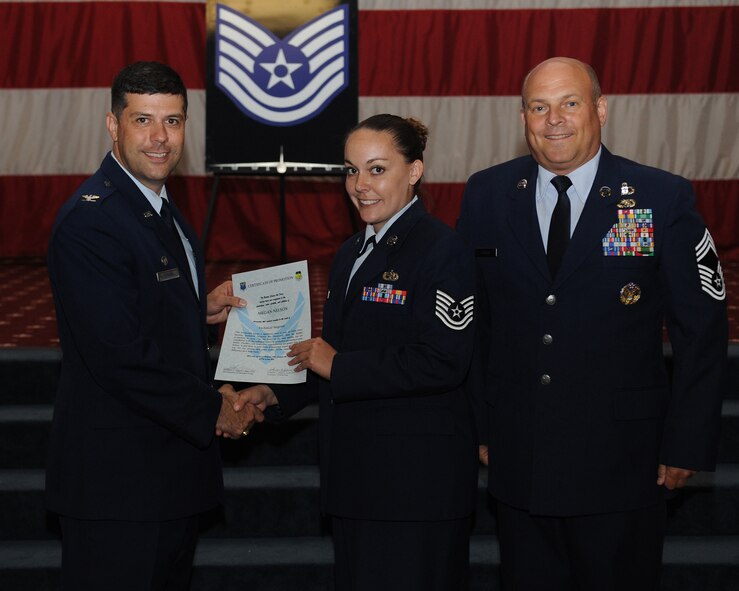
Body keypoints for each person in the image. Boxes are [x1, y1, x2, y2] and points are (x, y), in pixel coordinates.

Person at [457, 57, 729, 590]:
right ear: (523, 119)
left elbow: (702, 329)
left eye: (570, 103)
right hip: (521, 455)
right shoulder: (487, 194)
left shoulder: (658, 197)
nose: (554, 119)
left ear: (600, 110)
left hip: (623, 462)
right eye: (539, 107)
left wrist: (687, 441)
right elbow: (474, 323)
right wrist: (481, 425)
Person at [235, 114, 479, 590]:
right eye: (350, 170)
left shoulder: (442, 250)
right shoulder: (352, 251)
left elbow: (443, 360)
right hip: (357, 481)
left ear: (414, 171)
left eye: (377, 169)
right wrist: (273, 394)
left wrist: (337, 364)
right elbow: (330, 354)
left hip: (414, 488)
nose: (360, 185)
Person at [46, 61, 263, 590]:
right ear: (113, 125)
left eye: (174, 120)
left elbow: (136, 306)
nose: (160, 138)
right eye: (143, 120)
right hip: (117, 487)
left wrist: (196, 309)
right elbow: (119, 355)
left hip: (165, 480)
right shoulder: (93, 222)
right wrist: (215, 409)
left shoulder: (160, 206)